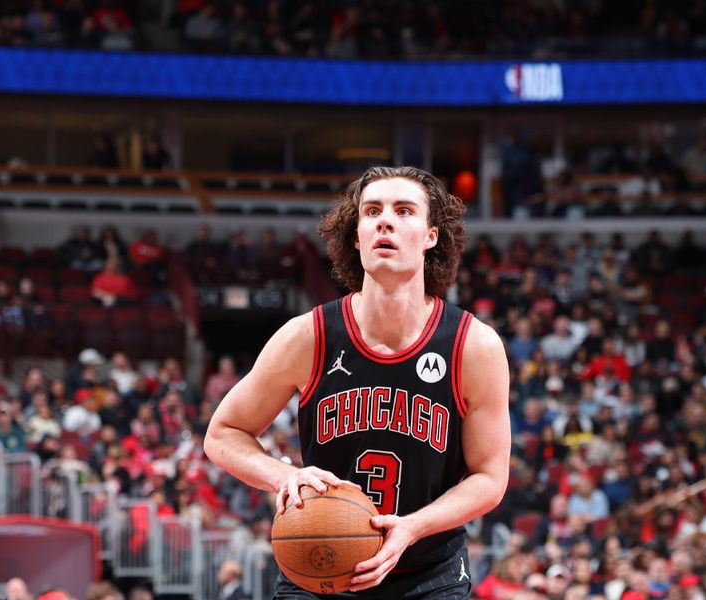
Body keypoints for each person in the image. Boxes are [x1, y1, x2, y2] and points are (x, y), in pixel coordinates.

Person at [205, 165, 511, 598]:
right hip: (318, 566)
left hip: (428, 572)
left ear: (431, 235)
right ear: (356, 236)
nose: (385, 220)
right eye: (372, 211)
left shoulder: (472, 346)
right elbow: (222, 434)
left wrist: (413, 527)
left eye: (404, 211)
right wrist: (282, 476)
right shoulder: (308, 336)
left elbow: (489, 478)